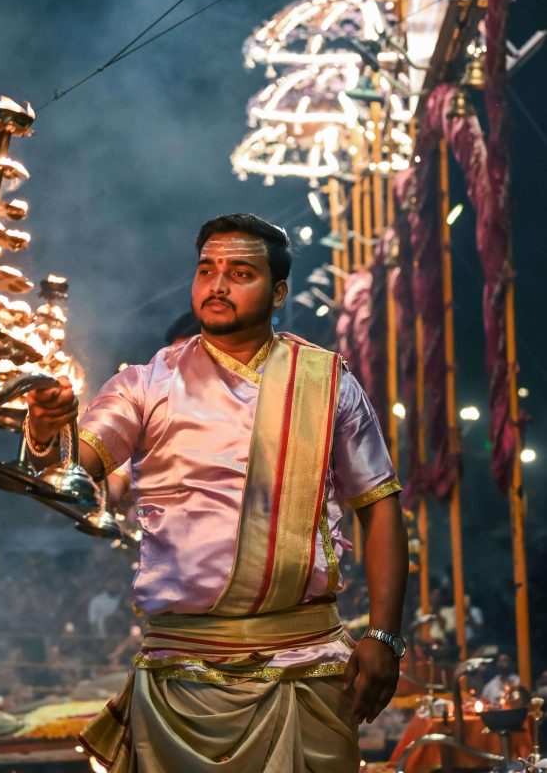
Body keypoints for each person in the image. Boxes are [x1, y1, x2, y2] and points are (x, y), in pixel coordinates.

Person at [26, 213, 409, 772]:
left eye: (240, 273)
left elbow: (379, 506)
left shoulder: (327, 382)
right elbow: (70, 470)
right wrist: (46, 430)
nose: (218, 285)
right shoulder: (145, 384)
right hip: (181, 680)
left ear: (278, 293)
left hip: (307, 668)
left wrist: (384, 635)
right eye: (206, 270)